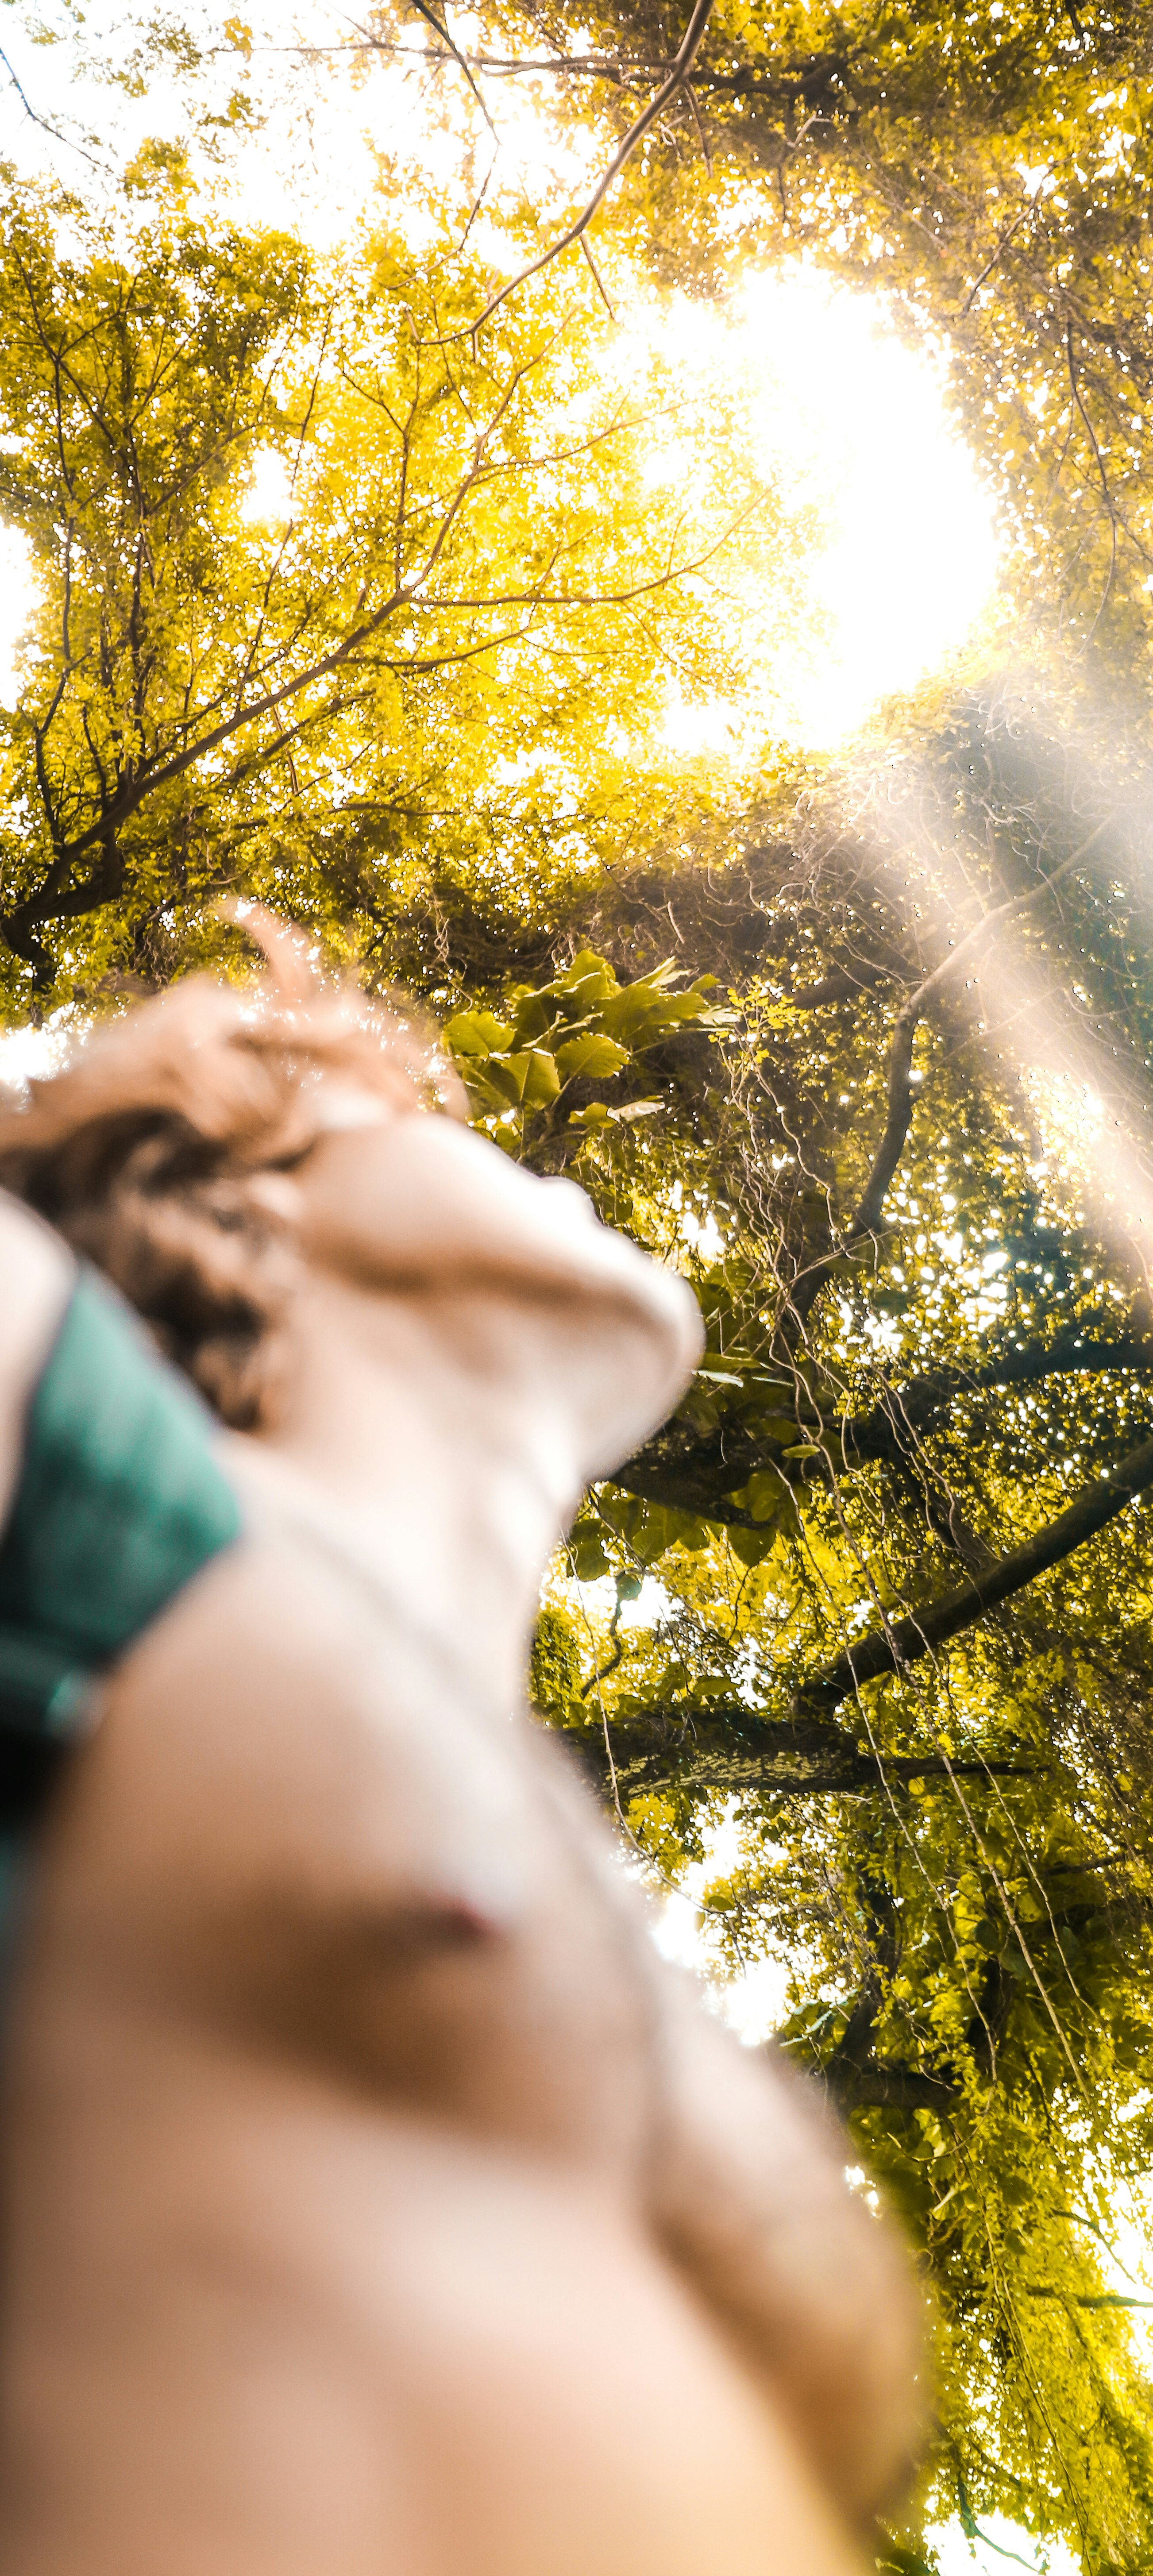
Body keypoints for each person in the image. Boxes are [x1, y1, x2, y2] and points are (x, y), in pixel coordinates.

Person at [0, 917, 922, 2576]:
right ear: (254, 1194)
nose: (537, 1156)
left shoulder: (576, 1858)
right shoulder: (47, 1393)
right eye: (421, 1120)